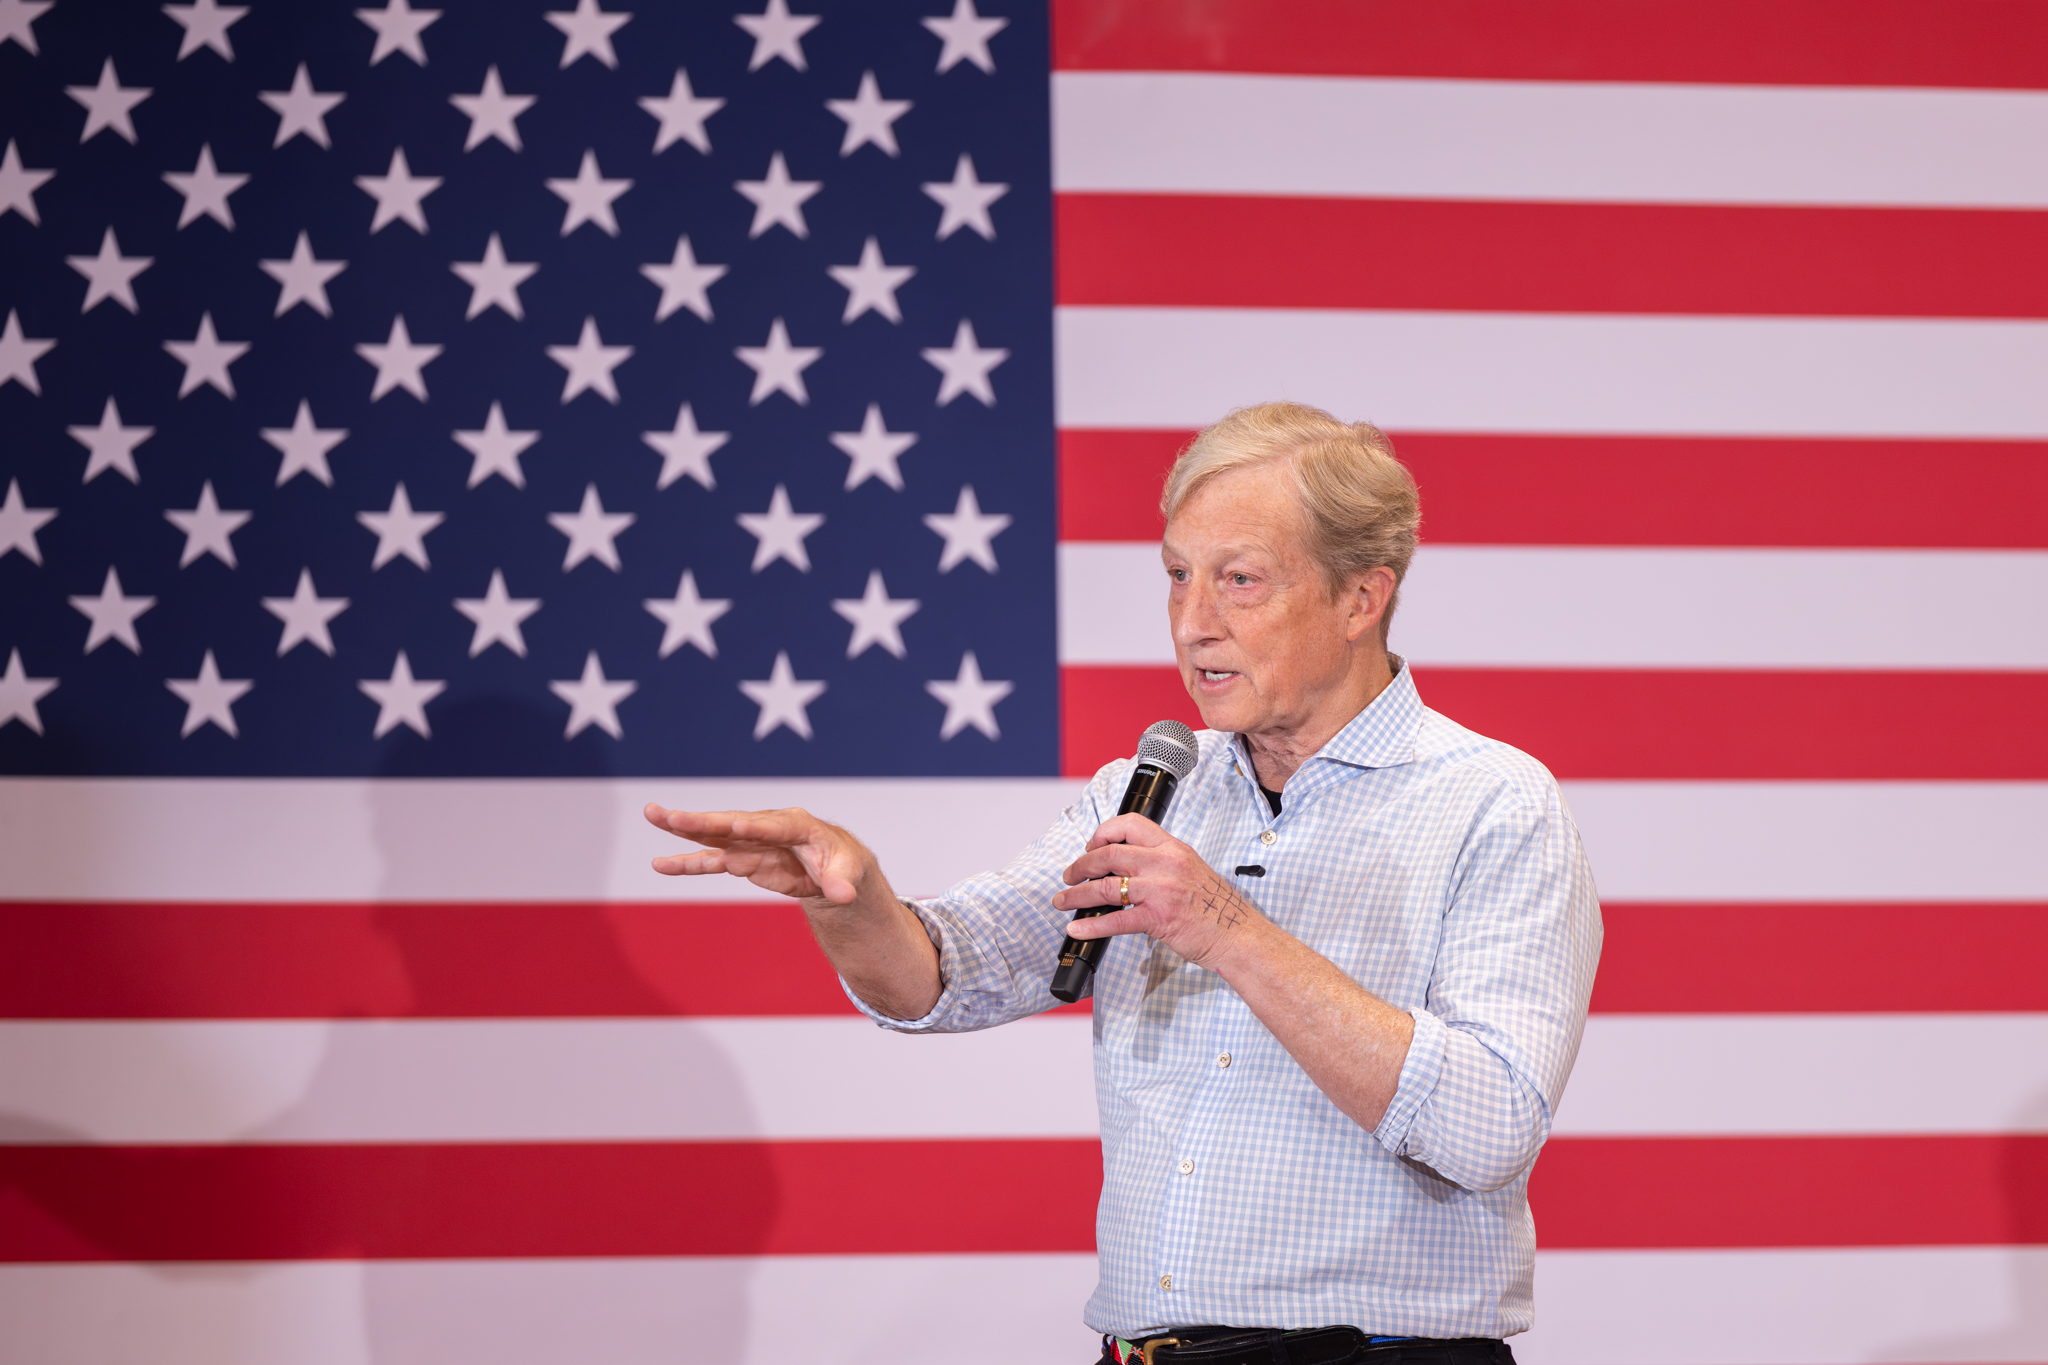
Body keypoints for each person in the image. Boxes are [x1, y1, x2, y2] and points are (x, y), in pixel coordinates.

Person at [645, 402, 1602, 1365]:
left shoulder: (1494, 803)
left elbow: (1488, 1127)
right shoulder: (1148, 790)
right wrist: (849, 900)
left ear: (1361, 597)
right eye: (1178, 576)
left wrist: (1226, 924)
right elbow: (942, 976)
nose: (1193, 624)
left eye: (1240, 581)